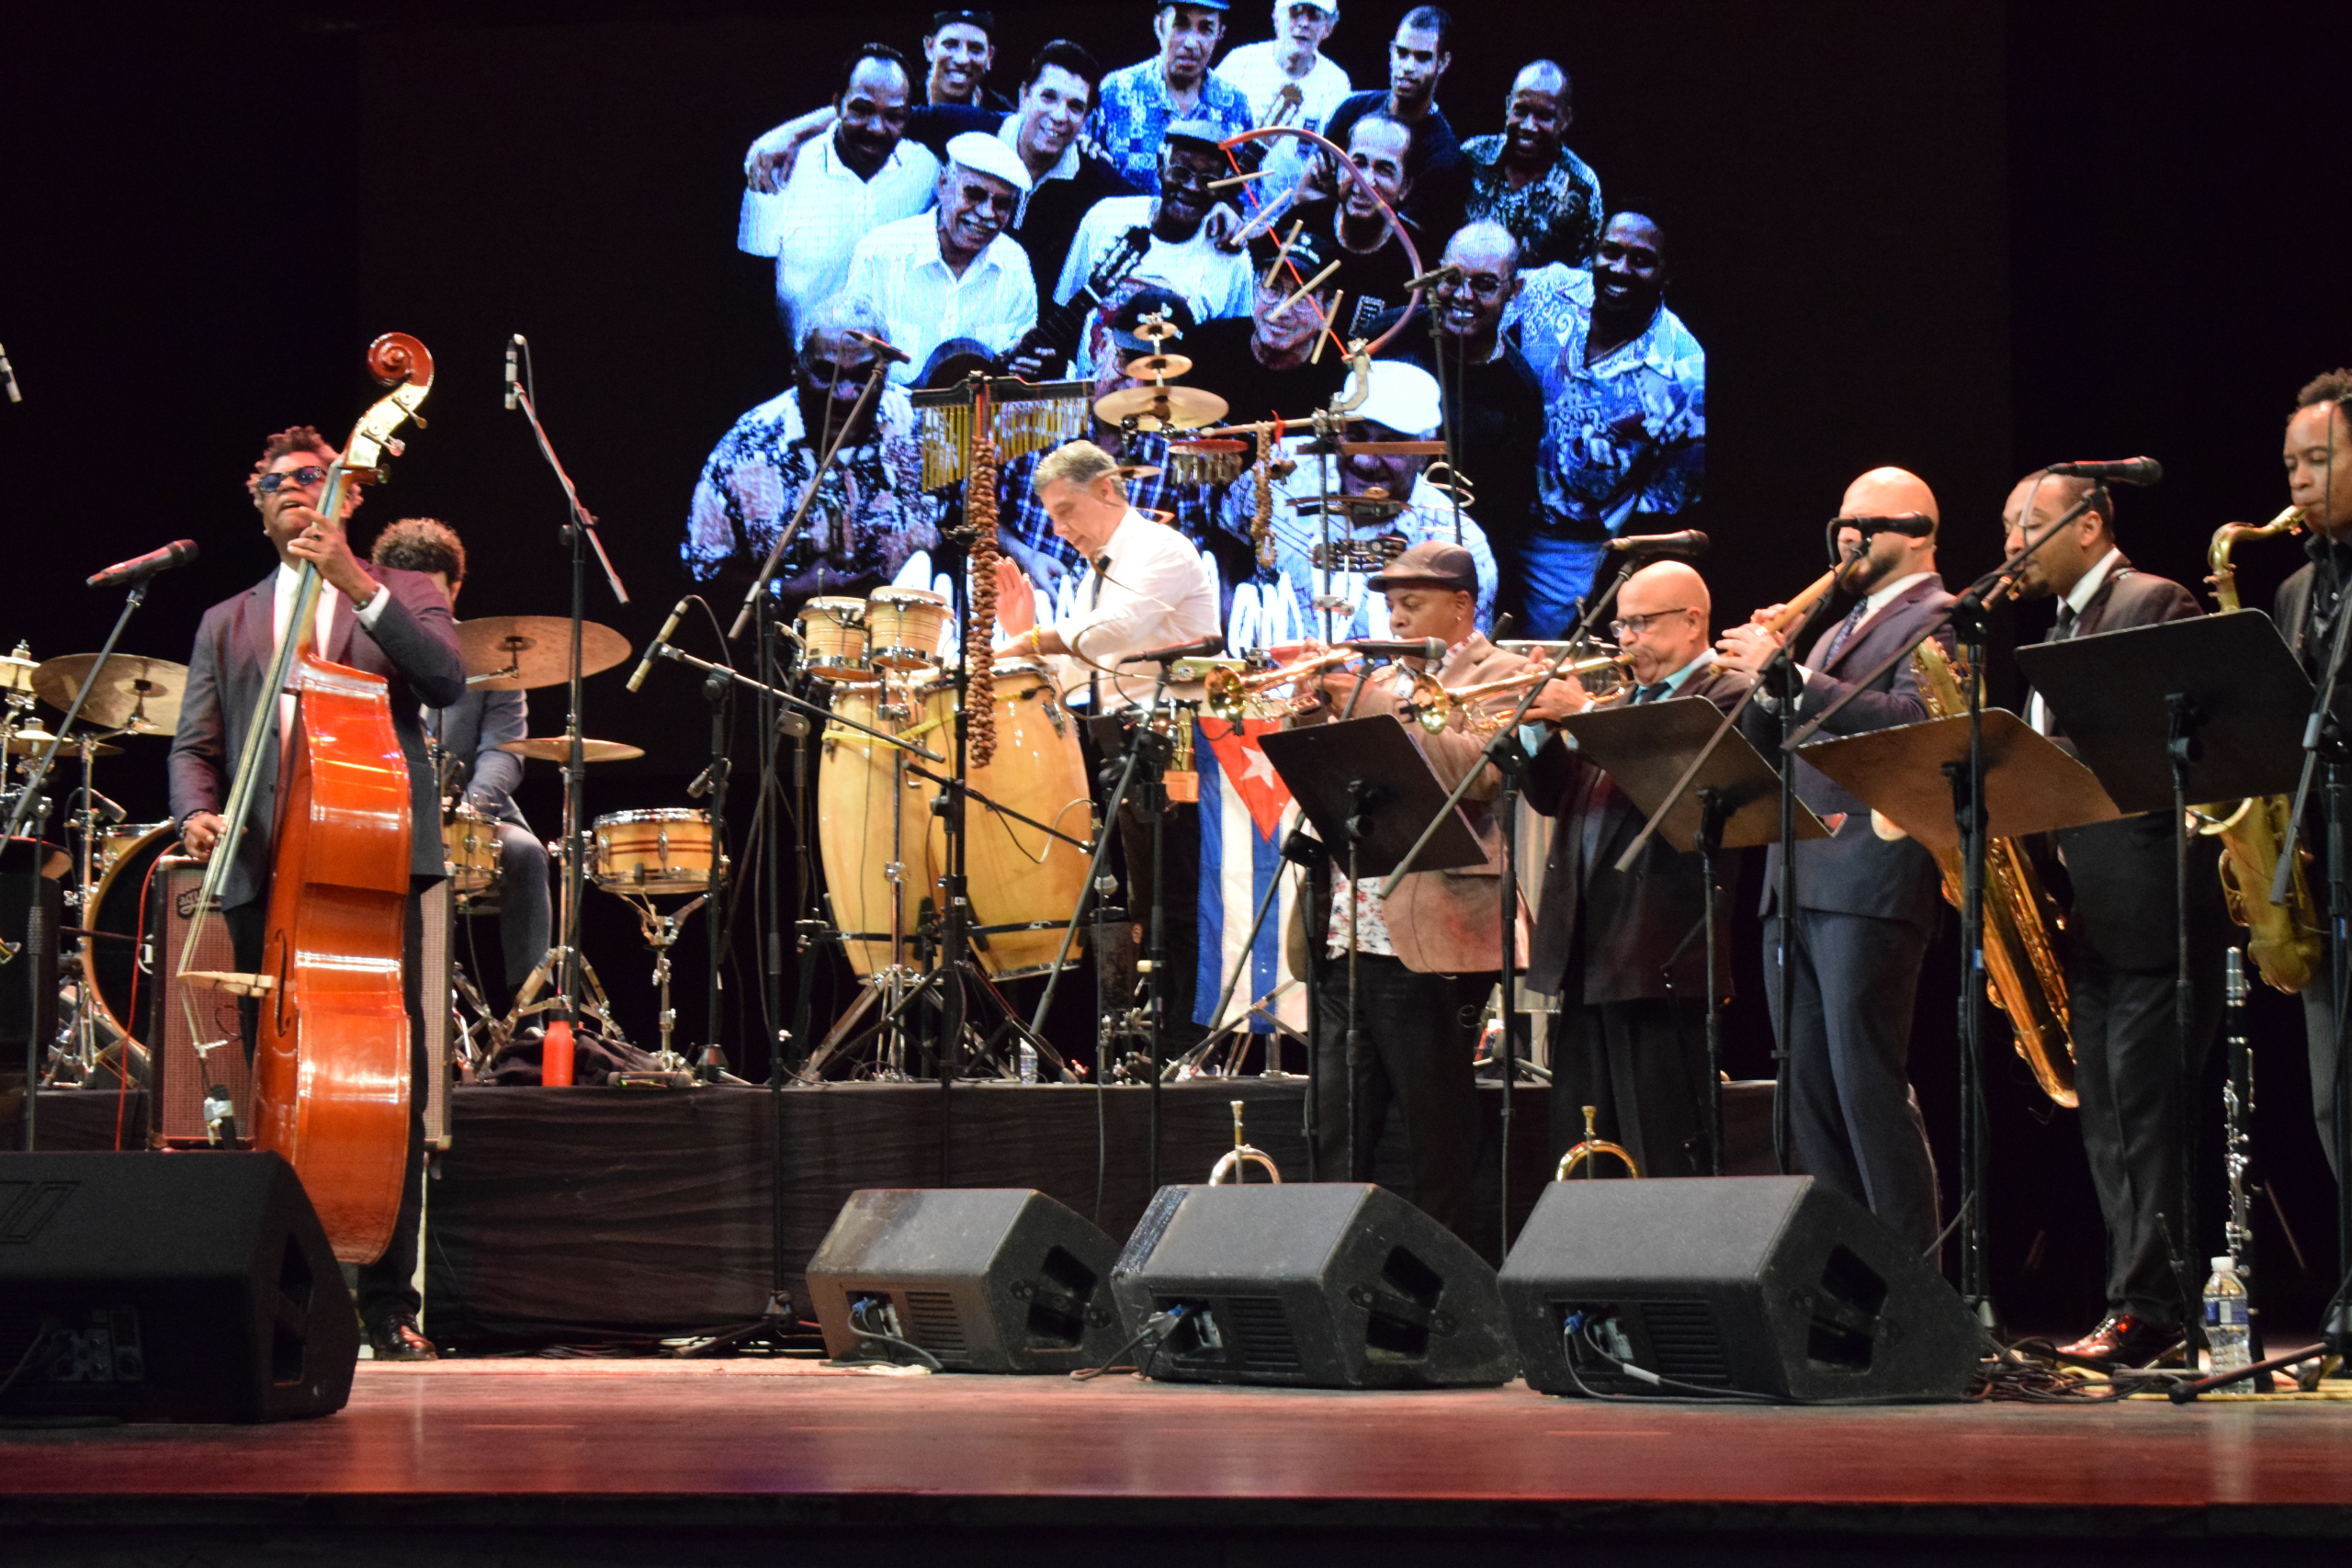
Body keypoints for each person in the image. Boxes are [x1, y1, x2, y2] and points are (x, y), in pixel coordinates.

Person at [167, 427, 469, 1361]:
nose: (299, 489)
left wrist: (354, 579)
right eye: (278, 482)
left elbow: (444, 681)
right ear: (258, 506)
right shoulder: (227, 618)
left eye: (315, 476)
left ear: (348, 493)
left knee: (397, 1074)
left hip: (371, 856)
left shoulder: (403, 589)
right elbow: (193, 747)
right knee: (274, 1081)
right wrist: (197, 817)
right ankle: (286, 1291)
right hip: (266, 863)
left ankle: (389, 1303)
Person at [1997, 470, 2224, 1366]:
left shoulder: (2152, 602)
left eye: (2030, 526)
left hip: (2149, 902)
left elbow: (2160, 748)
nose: (2012, 544)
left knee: (2144, 1114)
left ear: (2089, 527)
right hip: (2086, 913)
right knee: (2107, 1117)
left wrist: (2023, 755)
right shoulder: (2056, 627)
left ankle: (2153, 1310)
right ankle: (2130, 1303)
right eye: (2008, 527)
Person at [1714, 467, 1951, 1254]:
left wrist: (1794, 675)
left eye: (1867, 524)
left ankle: (1913, 1283)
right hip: (1799, 872)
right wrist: (1765, 680)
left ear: (1917, 532)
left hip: (1870, 875)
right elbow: (1789, 739)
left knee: (1866, 1084)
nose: (1847, 538)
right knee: (1809, 1092)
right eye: (1841, 523)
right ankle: (1852, 1280)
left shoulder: (1941, 617)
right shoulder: (1832, 629)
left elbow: (1914, 722)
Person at [1289, 540, 1530, 1242]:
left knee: (1438, 1134)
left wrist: (1400, 704)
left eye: (1412, 604)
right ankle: (1332, 1279)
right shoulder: (1375, 680)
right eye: (1390, 605)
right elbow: (1325, 784)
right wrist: (1308, 713)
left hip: (1435, 937)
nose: (1395, 618)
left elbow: (1481, 778)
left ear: (1461, 605)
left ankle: (1447, 1287)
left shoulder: (1505, 673)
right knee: (1334, 1133)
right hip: (1343, 936)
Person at [1520, 560, 1751, 1179]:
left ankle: (1672, 1275)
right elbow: (1551, 799)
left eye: (1641, 625)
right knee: (1582, 1143)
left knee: (1660, 1144)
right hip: (1587, 950)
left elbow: (1670, 784)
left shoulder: (1723, 693)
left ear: (1693, 620)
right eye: (1621, 627)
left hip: (1660, 954)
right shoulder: (1620, 703)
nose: (1626, 640)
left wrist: (1584, 719)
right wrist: (1537, 735)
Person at [994, 439, 1222, 1045]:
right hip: (1131, 741)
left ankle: (1187, 1039)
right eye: (1050, 517)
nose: (1059, 529)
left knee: (1176, 894)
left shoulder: (1158, 550)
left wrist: (1030, 640)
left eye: (1066, 510)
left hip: (1182, 739)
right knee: (1149, 901)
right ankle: (1165, 1036)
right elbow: (1087, 674)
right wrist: (1028, 640)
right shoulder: (1103, 573)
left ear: (1106, 489)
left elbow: (1113, 632)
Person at [368, 519, 555, 1015]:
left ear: (455, 589)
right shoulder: (363, 648)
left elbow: (505, 751)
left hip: (472, 816)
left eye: (430, 598)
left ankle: (529, 1014)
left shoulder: (493, 654)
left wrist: (466, 811)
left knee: (528, 854)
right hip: (382, 814)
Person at [1519, 212, 1705, 637]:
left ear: (1666, 273)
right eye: (1611, 252)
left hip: (1567, 547)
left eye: (1640, 259)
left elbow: (1671, 491)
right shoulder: (1545, 290)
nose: (1620, 268)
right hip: (1489, 510)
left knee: (1533, 662)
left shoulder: (1685, 369)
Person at [684, 295, 940, 600]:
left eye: (863, 377)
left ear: (884, 371)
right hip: (791, 640)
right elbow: (702, 568)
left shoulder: (925, 428)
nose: (845, 395)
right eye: (826, 374)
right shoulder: (746, 447)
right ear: (796, 367)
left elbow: (972, 530)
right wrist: (787, 590)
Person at [1253, 359, 1498, 643]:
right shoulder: (1281, 470)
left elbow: (1464, 665)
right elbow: (1222, 531)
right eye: (1355, 436)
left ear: (1425, 451)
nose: (1364, 459)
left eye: (1389, 444)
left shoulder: (1465, 550)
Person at [1380, 220, 1547, 628]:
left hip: (1455, 563)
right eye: (1452, 279)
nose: (1464, 296)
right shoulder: (1390, 333)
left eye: (1485, 285)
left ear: (1514, 291)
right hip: (1371, 542)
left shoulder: (1518, 389)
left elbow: (1507, 522)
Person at [2271, 368, 2352, 1182]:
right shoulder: (2295, 589)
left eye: (2320, 459)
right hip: (2325, 874)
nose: (2299, 479)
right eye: (2293, 462)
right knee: (2332, 1094)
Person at [740, 46, 940, 354]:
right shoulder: (778, 169)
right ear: (837, 104)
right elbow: (748, 287)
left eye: (894, 116)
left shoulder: (926, 170)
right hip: (797, 367)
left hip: (884, 373)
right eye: (862, 109)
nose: (876, 127)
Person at [1057, 122, 1255, 376]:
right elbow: (1065, 309)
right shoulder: (1105, 218)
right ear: (1160, 167)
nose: (1193, 187)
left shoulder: (1231, 258)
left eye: (1208, 181)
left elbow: (1232, 352)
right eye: (1182, 172)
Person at [842, 131, 1038, 385]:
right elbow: (852, 354)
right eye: (974, 194)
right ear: (943, 184)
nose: (986, 213)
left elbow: (1016, 365)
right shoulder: (881, 252)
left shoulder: (1014, 264)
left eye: (1001, 204)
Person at [1317, 6, 1463, 235]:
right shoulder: (1351, 110)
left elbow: (1406, 238)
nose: (1408, 67)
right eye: (1402, 53)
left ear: (1443, 62)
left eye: (1422, 58)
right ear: (1391, 51)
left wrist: (1336, 198)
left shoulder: (1445, 157)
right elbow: (1303, 194)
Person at [1088, 1, 1256, 194]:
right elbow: (1085, 173)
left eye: (1205, 29)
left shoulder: (1234, 106)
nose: (1192, 43)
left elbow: (1248, 194)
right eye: (1181, 25)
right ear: (1159, 27)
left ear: (1220, 34)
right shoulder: (1116, 92)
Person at [1457, 61, 1603, 269]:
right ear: (1508, 105)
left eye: (1544, 116)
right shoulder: (1473, 156)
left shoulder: (1581, 184)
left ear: (1566, 119)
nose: (1528, 126)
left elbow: (1584, 274)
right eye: (1521, 111)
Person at [1298, 112, 1422, 342]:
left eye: (1384, 169)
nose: (1365, 180)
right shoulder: (1302, 223)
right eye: (1357, 163)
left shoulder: (1415, 264)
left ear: (1405, 186)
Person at [1214, 0, 1351, 187]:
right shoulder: (1238, 63)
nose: (1304, 23)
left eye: (1314, 15)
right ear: (1276, 17)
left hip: (1295, 210)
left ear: (1328, 28)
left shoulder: (1337, 84)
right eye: (1295, 12)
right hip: (1228, 200)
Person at [922, 9, 1009, 111]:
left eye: (975, 49)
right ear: (929, 48)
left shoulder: (1004, 119)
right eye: (950, 45)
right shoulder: (905, 105)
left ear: (989, 56)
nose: (962, 59)